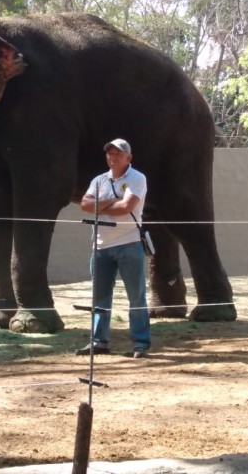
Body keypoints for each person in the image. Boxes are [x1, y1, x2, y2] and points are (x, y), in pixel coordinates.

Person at [76, 138, 151, 358]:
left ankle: (140, 343)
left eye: (118, 153)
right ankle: (99, 342)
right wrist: (112, 200)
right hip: (100, 247)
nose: (112, 156)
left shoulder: (137, 178)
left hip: (129, 244)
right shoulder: (99, 180)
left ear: (129, 157)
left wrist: (102, 203)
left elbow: (126, 207)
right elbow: (85, 205)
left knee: (136, 297)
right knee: (99, 297)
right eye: (109, 153)